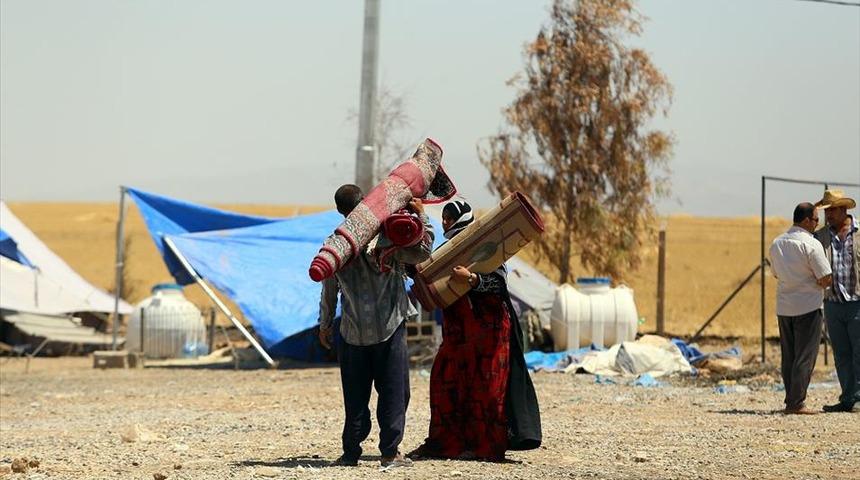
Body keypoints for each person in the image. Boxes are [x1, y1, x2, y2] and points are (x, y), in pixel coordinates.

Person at [411, 200, 541, 461]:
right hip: (458, 334)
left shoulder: (485, 245)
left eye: (449, 218)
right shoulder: (447, 250)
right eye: (444, 217)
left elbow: (498, 284)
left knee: (487, 390)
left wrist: (471, 279)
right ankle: (445, 443)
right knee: (445, 382)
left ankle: (485, 447)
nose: (445, 222)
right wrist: (421, 218)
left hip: (489, 335)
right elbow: (426, 270)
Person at [318, 184, 434, 468]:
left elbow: (329, 289)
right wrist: (422, 216)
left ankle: (350, 453)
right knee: (394, 392)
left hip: (352, 331)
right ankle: (390, 453)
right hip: (388, 328)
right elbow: (422, 252)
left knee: (355, 396)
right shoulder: (387, 237)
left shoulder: (335, 245)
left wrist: (325, 325)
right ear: (365, 203)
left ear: (340, 211)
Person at [769, 202, 832, 414]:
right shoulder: (811, 244)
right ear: (806, 220)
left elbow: (775, 273)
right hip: (808, 306)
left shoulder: (777, 243)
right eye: (816, 220)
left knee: (789, 355)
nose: (817, 224)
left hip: (784, 306)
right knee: (805, 355)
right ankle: (796, 402)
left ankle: (791, 399)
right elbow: (825, 277)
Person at [814, 190, 859, 413]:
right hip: (832, 303)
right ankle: (848, 398)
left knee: (859, 352)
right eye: (826, 211)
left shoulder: (858, 233)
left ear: (843, 210)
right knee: (841, 354)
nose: (828, 215)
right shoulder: (821, 236)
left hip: (857, 302)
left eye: (831, 210)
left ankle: (858, 397)